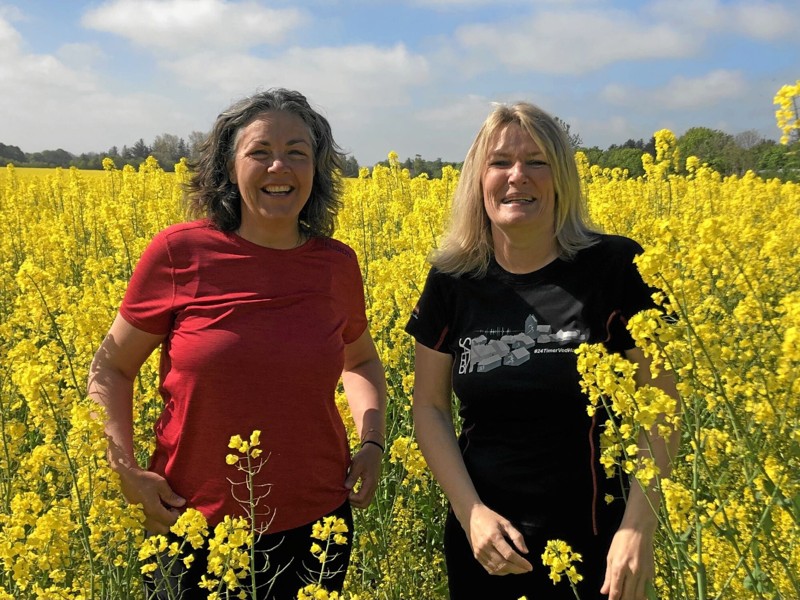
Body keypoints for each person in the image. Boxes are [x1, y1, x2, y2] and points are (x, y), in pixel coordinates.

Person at [88, 88, 387, 599]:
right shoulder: (179, 253)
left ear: (316, 171)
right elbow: (111, 368)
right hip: (188, 521)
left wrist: (373, 442)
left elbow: (358, 362)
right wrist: (126, 473)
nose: (280, 166)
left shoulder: (336, 264)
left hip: (317, 524)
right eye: (260, 152)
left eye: (298, 152)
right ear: (228, 168)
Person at [405, 102, 680, 600]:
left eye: (537, 161)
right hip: (487, 544)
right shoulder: (452, 280)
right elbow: (428, 407)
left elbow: (661, 408)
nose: (517, 177)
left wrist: (639, 526)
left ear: (561, 178)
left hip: (602, 542)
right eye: (500, 162)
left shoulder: (618, 268)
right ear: (478, 179)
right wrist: (471, 515)